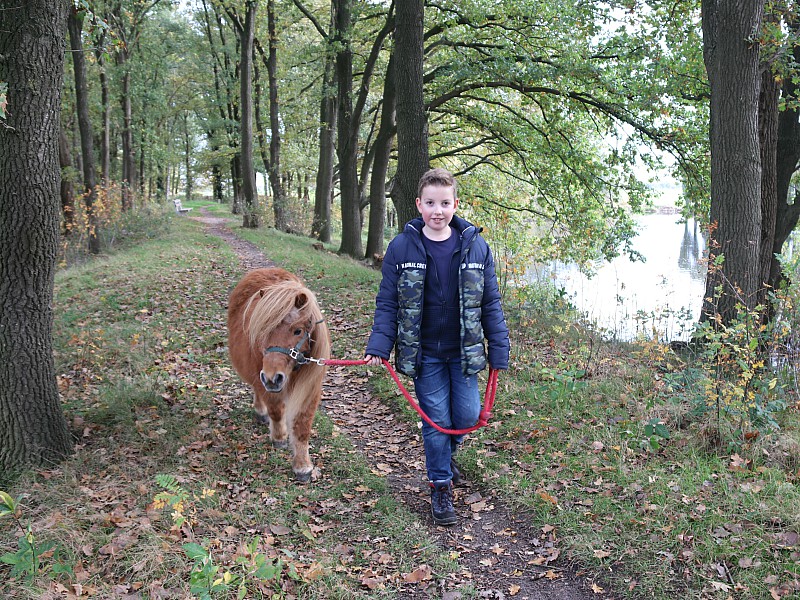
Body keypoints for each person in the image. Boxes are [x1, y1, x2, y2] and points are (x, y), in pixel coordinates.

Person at [364, 167, 510, 526]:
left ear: (455, 204)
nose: (437, 210)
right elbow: (388, 303)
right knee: (437, 421)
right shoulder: (402, 247)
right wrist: (379, 345)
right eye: (430, 203)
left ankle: (446, 454)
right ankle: (440, 486)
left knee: (466, 416)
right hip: (424, 352)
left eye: (445, 203)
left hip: (464, 352)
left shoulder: (476, 246)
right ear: (418, 204)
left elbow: (490, 302)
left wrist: (500, 347)